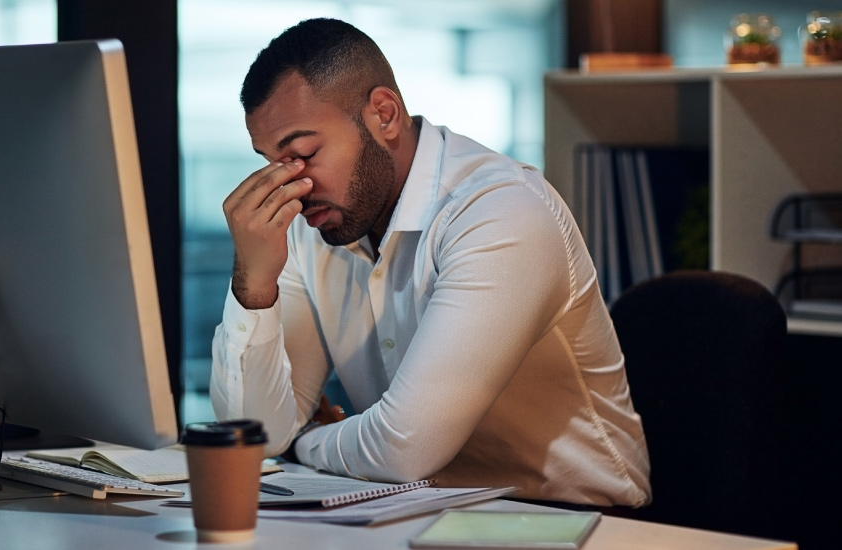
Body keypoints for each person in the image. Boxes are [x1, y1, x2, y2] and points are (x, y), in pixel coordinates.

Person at [210, 17, 651, 508]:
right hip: (421, 511)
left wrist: (306, 440)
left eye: (304, 154)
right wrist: (253, 284)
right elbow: (251, 438)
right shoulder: (312, 224)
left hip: (577, 519)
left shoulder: (502, 212)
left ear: (384, 115)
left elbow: (402, 448)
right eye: (271, 162)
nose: (289, 185)